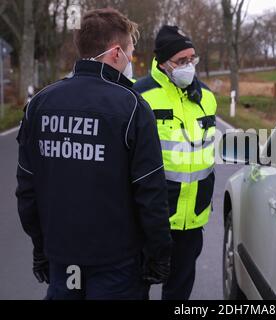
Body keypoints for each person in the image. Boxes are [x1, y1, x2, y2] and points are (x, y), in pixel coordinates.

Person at [15, 8, 172, 300]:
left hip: (63, 259)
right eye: (130, 51)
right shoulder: (133, 107)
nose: (131, 59)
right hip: (118, 264)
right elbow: (151, 193)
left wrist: (42, 248)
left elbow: (27, 189)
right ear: (115, 53)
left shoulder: (40, 104)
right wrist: (159, 255)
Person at [134, 25, 217, 300]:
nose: (189, 66)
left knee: (179, 292)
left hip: (191, 220)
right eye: (181, 61)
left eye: (192, 59)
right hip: (148, 220)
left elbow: (206, 155)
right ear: (163, 62)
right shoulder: (139, 96)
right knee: (136, 288)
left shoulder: (206, 98)